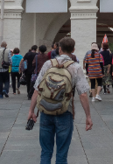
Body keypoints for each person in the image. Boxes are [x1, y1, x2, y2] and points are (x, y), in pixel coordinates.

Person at [27, 36, 93, 164]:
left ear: (59, 49)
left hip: (46, 111)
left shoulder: (48, 64)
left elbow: (37, 89)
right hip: (64, 112)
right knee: (62, 155)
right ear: (73, 49)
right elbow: (83, 94)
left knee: (46, 152)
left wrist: (31, 110)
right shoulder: (76, 67)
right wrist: (88, 116)